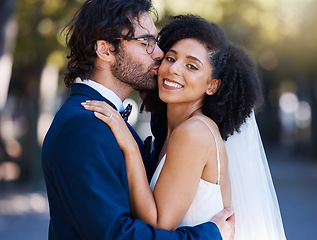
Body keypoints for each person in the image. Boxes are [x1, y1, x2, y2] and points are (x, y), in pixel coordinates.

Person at [41, 1, 234, 239]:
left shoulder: (108, 120)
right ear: (106, 50)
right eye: (147, 43)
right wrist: (211, 235)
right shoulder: (83, 127)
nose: (160, 54)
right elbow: (117, 235)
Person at [83, 15, 286, 239]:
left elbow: (159, 224)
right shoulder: (177, 132)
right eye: (170, 58)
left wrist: (130, 147)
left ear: (212, 85)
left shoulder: (194, 133)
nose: (174, 70)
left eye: (191, 66)